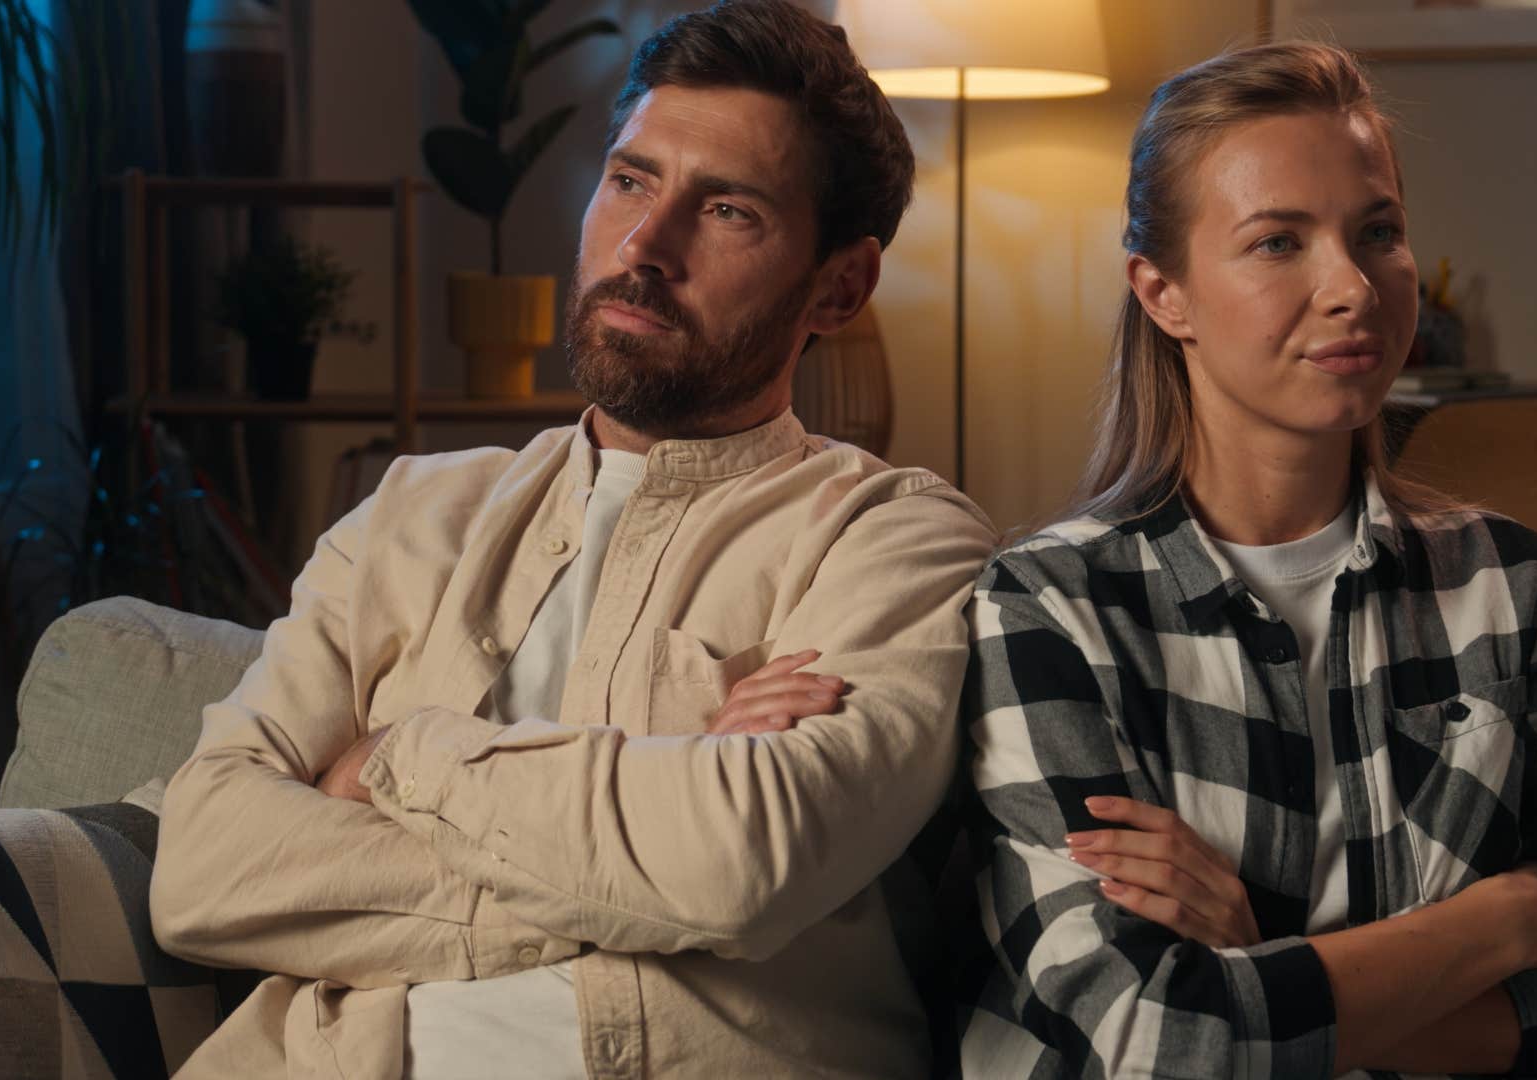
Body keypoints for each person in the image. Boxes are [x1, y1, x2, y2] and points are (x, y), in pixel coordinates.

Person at [149, 3, 995, 1076]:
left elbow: (741, 865)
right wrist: (651, 847)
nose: (645, 245)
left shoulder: (895, 539)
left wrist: (399, 758)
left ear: (841, 284)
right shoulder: (410, 516)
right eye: (630, 180)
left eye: (727, 209)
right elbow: (202, 870)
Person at [958, 42, 1537, 1079]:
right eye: (1278, 242)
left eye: (1379, 232)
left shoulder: (1520, 591)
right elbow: (1153, 1039)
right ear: (1164, 294)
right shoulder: (1046, 607)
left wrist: (1257, 958)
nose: (1353, 285)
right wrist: (1514, 919)